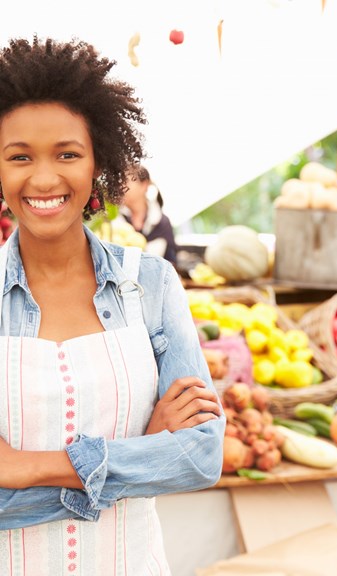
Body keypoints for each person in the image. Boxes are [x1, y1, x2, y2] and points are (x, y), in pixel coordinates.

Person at [0, 36, 224, 574]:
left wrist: (28, 469)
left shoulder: (151, 283)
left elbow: (199, 456)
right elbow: (169, 461)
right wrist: (141, 455)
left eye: (68, 154)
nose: (45, 178)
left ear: (98, 159)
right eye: (19, 156)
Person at [120, 165, 179, 266]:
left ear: (144, 185)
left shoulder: (162, 223)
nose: (121, 187)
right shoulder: (114, 220)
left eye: (126, 181)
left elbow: (171, 261)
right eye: (119, 182)